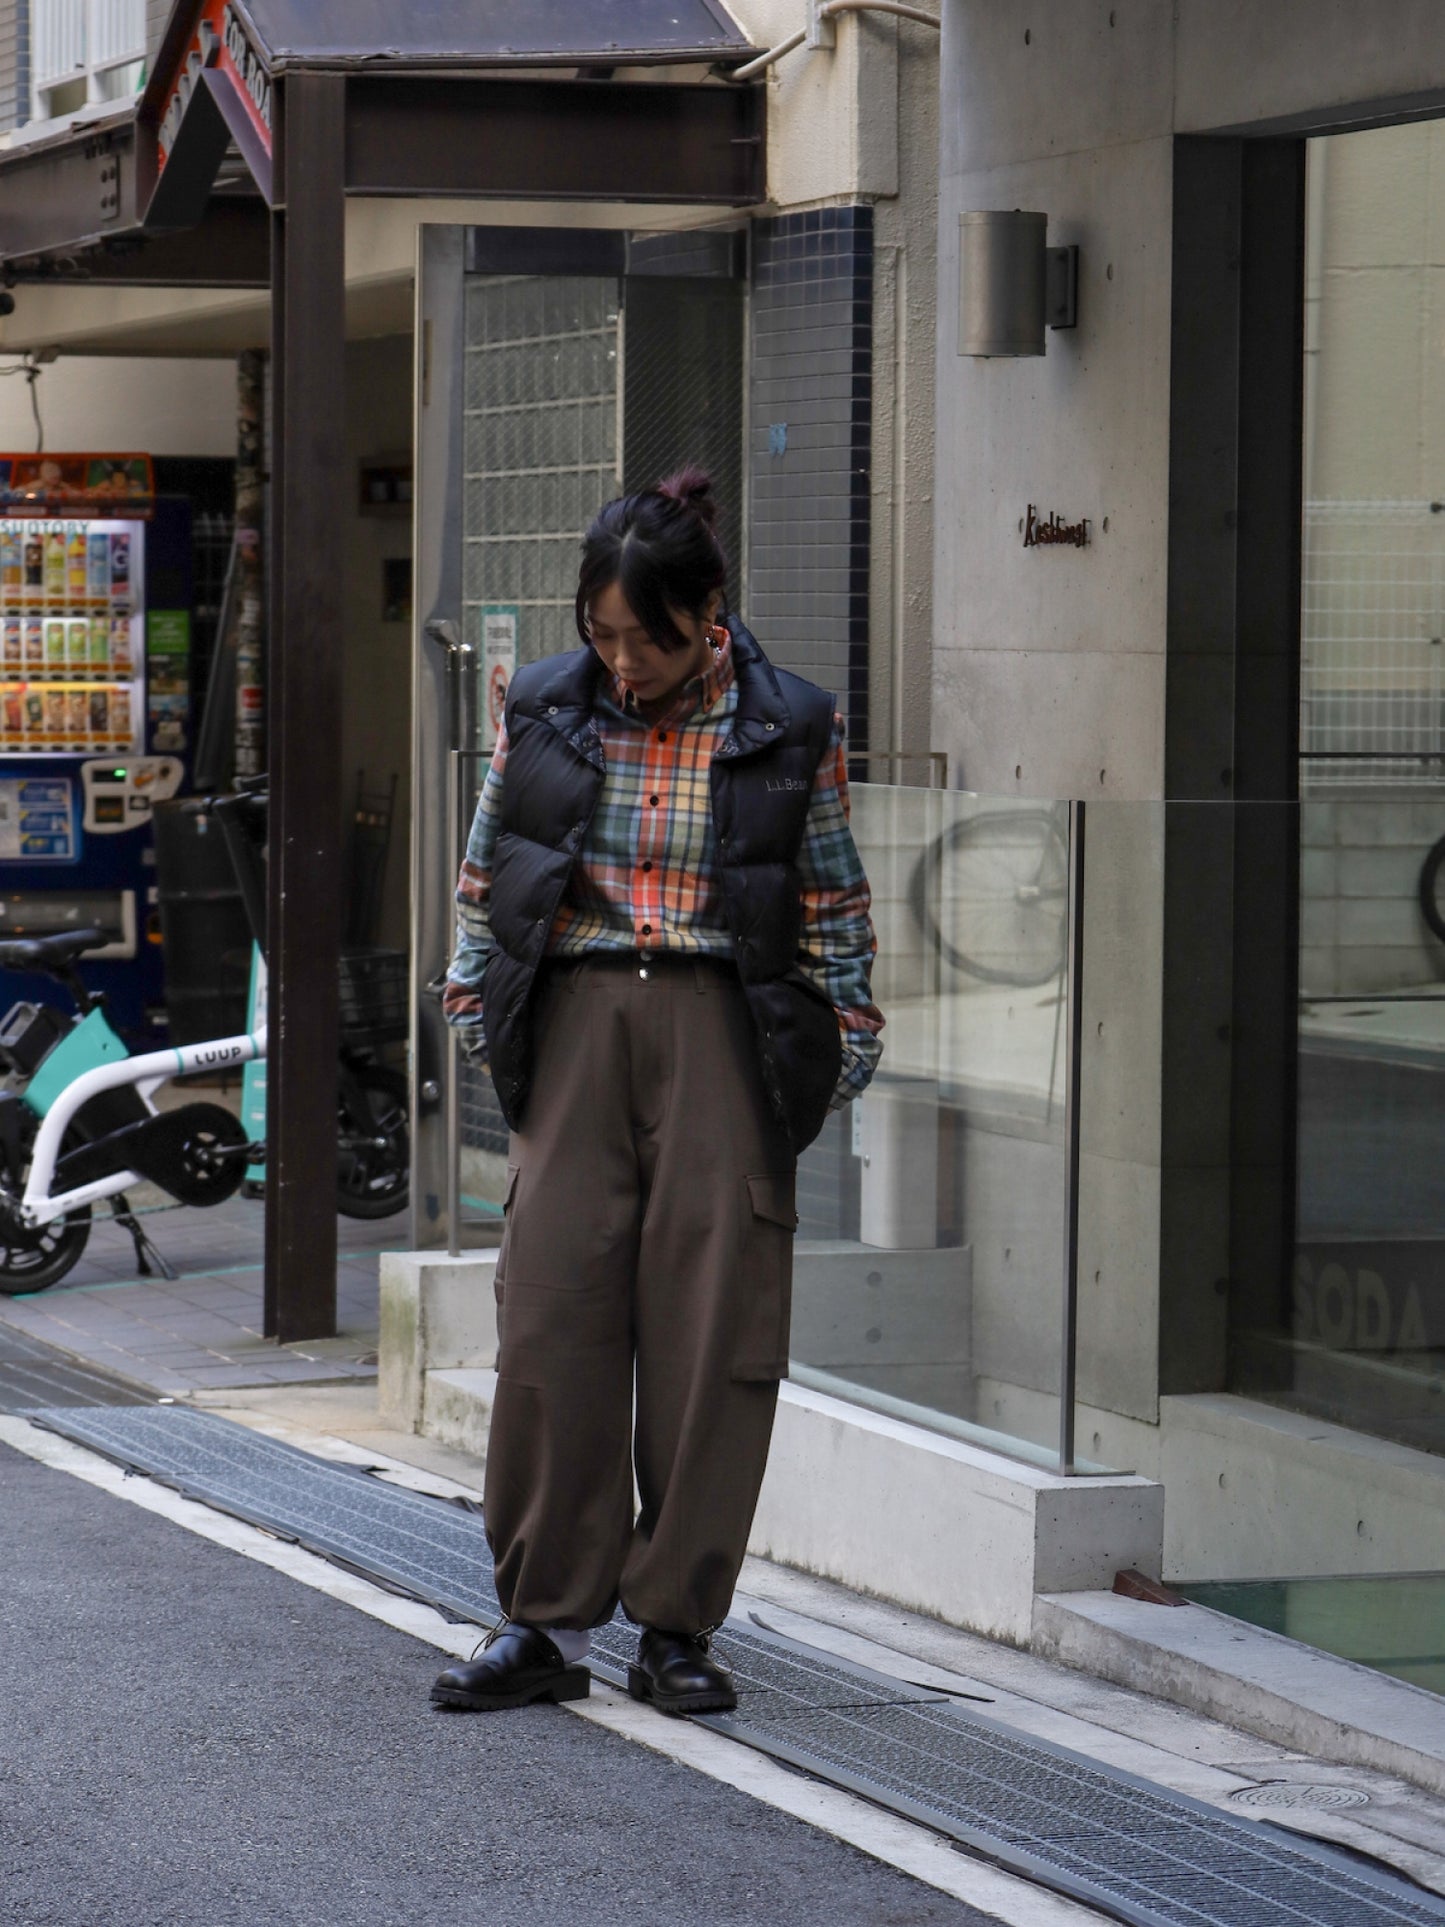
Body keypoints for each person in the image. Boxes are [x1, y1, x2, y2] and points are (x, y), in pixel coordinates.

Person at [431, 469, 882, 1717]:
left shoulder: (792, 725)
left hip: (721, 1028)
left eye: (648, 633)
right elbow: (484, 878)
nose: (622, 658)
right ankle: (540, 1620)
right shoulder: (541, 706)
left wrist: (839, 1045)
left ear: (710, 613)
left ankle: (675, 1623)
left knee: (710, 1338)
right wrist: (475, 1011)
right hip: (575, 1021)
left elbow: (834, 902)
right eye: (602, 631)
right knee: (551, 1323)